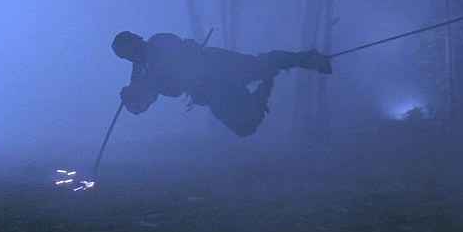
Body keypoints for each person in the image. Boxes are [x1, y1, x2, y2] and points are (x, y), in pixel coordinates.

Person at [112, 31, 332, 136]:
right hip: (211, 91)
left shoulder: (159, 42)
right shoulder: (140, 74)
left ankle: (309, 59)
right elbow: (141, 104)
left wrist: (141, 86)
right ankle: (262, 92)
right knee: (244, 127)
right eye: (126, 55)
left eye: (131, 48)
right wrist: (131, 99)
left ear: (137, 39)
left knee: (261, 65)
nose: (132, 55)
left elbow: (168, 63)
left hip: (219, 66)